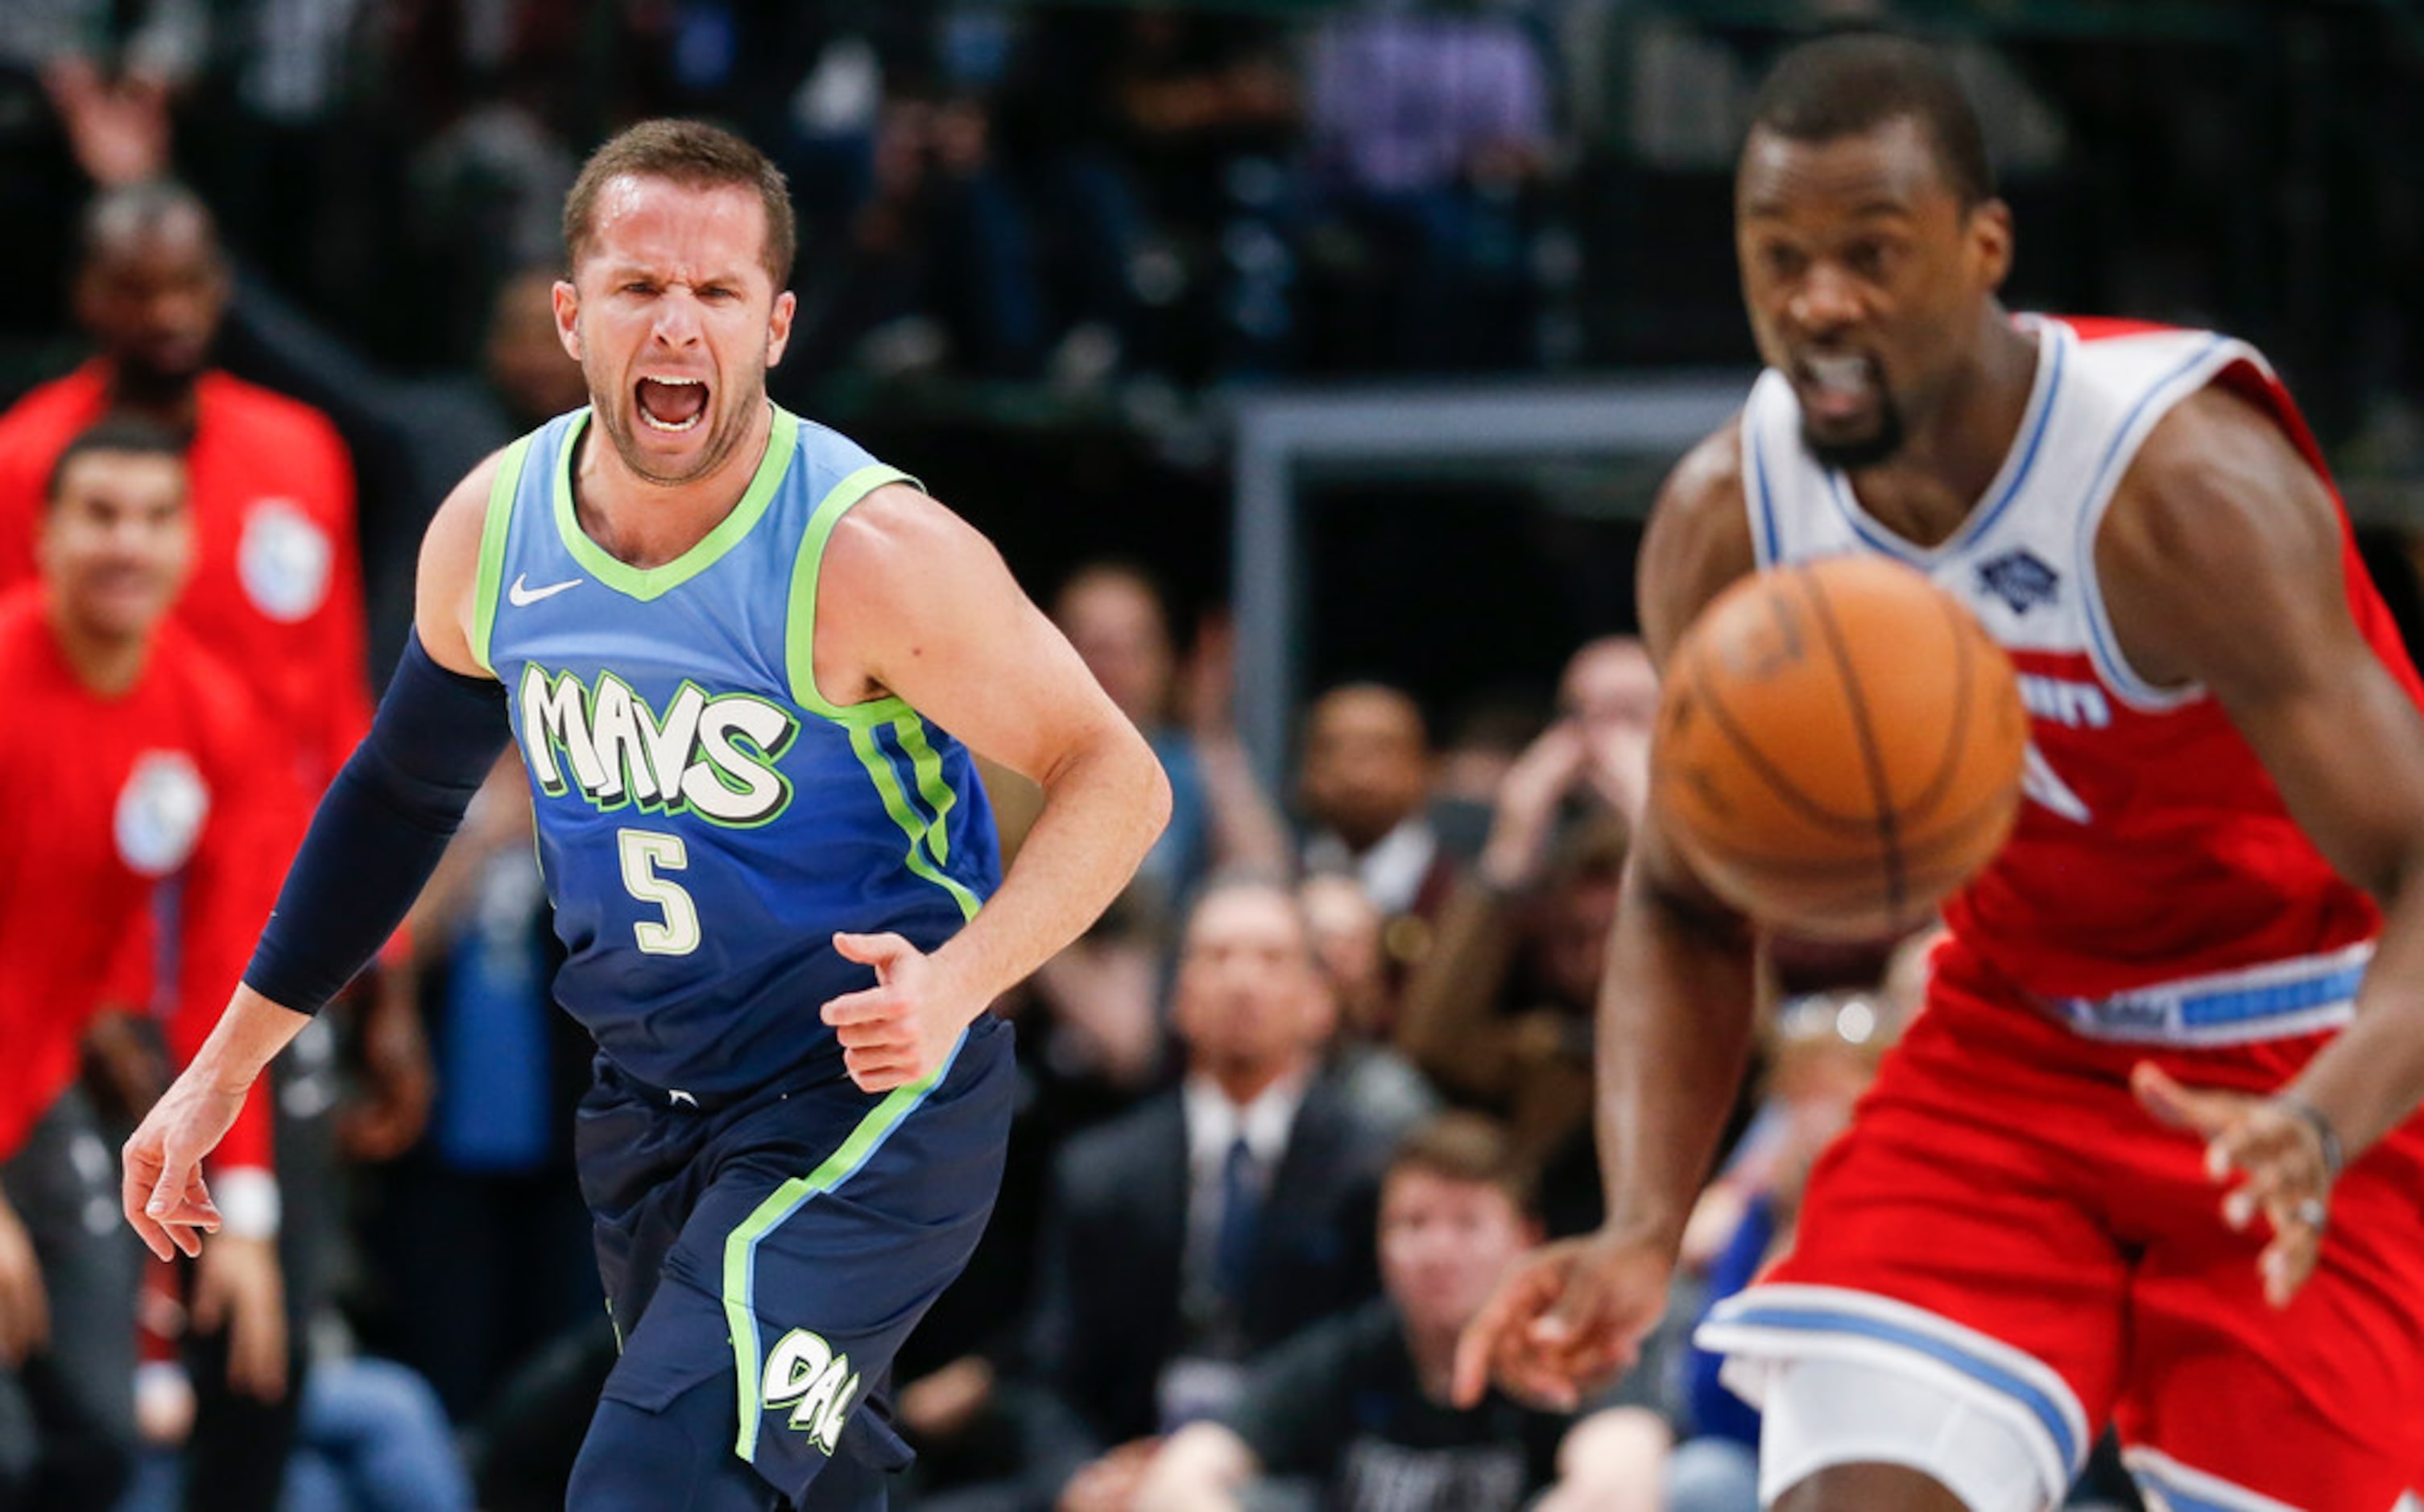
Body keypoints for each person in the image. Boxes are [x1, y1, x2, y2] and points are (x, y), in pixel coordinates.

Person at [121, 117, 1169, 1512]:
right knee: (790, 1482)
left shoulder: (869, 550)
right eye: (638, 287)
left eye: (717, 293)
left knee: (645, 1476)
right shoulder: (495, 529)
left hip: (864, 1096)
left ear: (777, 325)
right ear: (571, 314)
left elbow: (1121, 775)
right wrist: (223, 1064)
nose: (677, 325)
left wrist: (963, 978)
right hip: (648, 1106)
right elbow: (395, 797)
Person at [1455, 32, 2424, 1512]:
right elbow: (1686, 900)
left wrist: (2330, 1110)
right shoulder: (1731, 516)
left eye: (1870, 252)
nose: (1818, 300)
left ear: (1985, 249)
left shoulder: (2180, 491)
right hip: (2014, 1043)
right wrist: (1646, 1223)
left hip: (2308, 1049)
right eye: (1777, 256)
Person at [0, 419, 294, 1509]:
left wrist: (246, 1219)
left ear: (192, 541)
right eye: (100, 514)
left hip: (34, 1089)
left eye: (156, 516)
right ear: (43, 532)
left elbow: (238, 975)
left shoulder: (212, 712)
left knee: (103, 1439)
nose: (128, 542)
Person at [1135, 1113, 1670, 1512]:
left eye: (1467, 1225)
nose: (1438, 1252)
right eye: (1413, 1225)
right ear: (1380, 1243)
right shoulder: (1351, 1353)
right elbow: (1187, 1467)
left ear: (1526, 1241)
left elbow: (1623, 1474)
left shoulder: (1562, 1351)